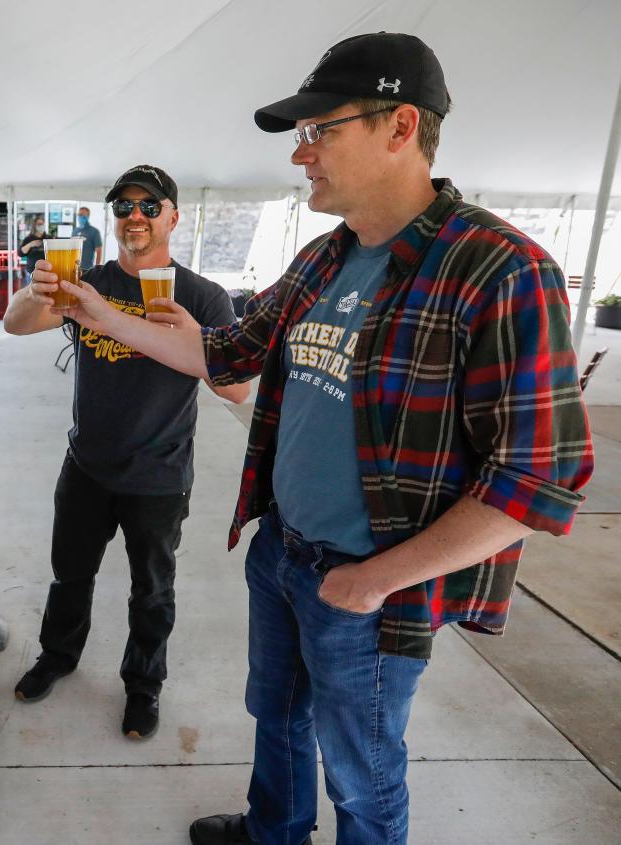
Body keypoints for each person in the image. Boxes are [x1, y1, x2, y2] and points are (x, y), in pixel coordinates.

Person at [37, 34, 594, 845]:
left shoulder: (498, 269)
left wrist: (375, 581)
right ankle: (275, 829)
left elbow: (539, 481)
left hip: (371, 587)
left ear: (401, 126)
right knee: (278, 717)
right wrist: (95, 309)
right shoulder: (324, 260)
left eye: (319, 132)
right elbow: (223, 354)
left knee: (362, 770)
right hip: (283, 552)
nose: (301, 155)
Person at [6, 165, 249, 740]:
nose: (134, 216)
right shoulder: (87, 282)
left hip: (160, 475)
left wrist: (195, 337)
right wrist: (36, 288)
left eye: (148, 205)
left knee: (153, 590)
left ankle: (144, 686)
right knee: (70, 575)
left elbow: (238, 388)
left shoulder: (202, 296)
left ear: (172, 216)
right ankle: (58, 658)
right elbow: (17, 326)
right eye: (123, 207)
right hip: (86, 464)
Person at [72, 206, 104, 271]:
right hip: (74, 268)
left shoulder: (94, 231)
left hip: (87, 269)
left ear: (88, 216)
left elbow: (99, 252)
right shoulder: (74, 231)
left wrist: (96, 269)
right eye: (79, 215)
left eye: (82, 215)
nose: (80, 216)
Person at [18, 215, 48, 281]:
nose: (41, 226)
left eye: (43, 224)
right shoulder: (29, 239)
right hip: (32, 272)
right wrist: (30, 244)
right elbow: (20, 253)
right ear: (34, 226)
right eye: (39, 224)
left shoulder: (48, 238)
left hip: (47, 272)